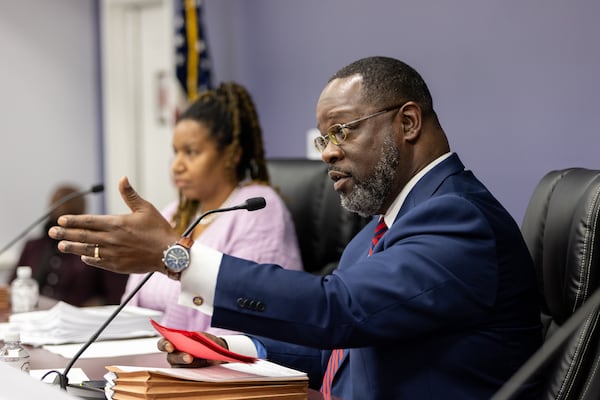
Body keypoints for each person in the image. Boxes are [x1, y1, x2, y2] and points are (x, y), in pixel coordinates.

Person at [49, 56, 543, 399]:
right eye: (324, 136)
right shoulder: (386, 226)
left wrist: (176, 258)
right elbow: (341, 347)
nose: (326, 150)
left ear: (408, 122)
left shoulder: (458, 218)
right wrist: (234, 347)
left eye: (342, 131)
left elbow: (339, 310)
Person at [122, 82, 303, 332]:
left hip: (218, 364)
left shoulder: (257, 208)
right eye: (175, 152)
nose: (177, 165)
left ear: (233, 154)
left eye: (191, 152)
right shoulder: (173, 213)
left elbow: (248, 310)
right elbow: (131, 303)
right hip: (149, 356)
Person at [13, 184, 127, 306]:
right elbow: (13, 286)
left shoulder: (97, 247)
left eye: (69, 202)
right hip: (35, 316)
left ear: (82, 209)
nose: (62, 207)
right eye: (57, 202)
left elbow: (115, 295)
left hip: (78, 317)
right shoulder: (33, 246)